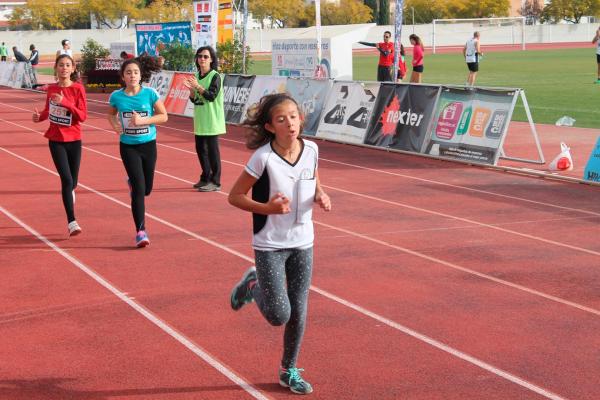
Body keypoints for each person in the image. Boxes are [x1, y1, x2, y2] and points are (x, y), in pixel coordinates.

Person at [228, 93, 332, 395]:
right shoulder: (263, 158)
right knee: (278, 314)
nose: (290, 123)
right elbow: (234, 197)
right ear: (271, 127)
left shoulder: (311, 149)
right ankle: (252, 285)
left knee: (298, 310)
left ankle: (289, 369)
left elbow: (313, 177)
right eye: (281, 119)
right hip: (270, 244)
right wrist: (269, 209)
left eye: (294, 116)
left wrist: (320, 195)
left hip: (303, 241)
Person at [107, 55, 168, 247]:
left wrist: (143, 121)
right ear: (122, 76)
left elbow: (163, 116)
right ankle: (141, 231)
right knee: (140, 191)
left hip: (148, 144)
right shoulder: (117, 96)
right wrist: (115, 124)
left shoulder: (150, 94)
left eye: (135, 72)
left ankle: (134, 185)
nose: (132, 76)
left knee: (147, 188)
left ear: (141, 75)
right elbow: (111, 114)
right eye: (128, 73)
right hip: (128, 147)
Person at [32, 54, 87, 236]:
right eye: (61, 65)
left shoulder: (78, 89)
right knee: (66, 180)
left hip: (74, 140)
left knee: (74, 182)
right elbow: (49, 110)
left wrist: (65, 102)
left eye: (67, 65)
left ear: (73, 69)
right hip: (56, 140)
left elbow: (82, 116)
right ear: (56, 68)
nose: (64, 68)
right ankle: (72, 221)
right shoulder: (52, 89)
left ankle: (69, 196)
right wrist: (38, 117)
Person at [183, 46, 225, 192]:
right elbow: (195, 100)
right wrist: (191, 91)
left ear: (211, 59)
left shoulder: (215, 76)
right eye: (200, 56)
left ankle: (216, 181)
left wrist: (198, 87)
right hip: (200, 120)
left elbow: (211, 96)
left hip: (212, 120)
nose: (202, 59)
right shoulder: (196, 75)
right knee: (201, 150)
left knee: (213, 152)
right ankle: (205, 177)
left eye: (205, 57)